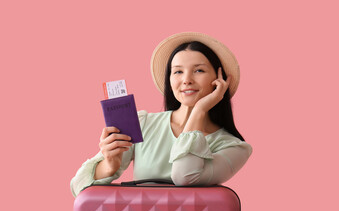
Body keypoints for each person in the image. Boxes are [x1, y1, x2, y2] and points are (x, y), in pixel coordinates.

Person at [70, 32, 252, 197]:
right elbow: (77, 186)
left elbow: (184, 176)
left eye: (199, 70)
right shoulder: (143, 123)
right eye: (178, 71)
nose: (186, 80)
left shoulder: (233, 148)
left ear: (219, 80)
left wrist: (198, 111)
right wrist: (110, 165)